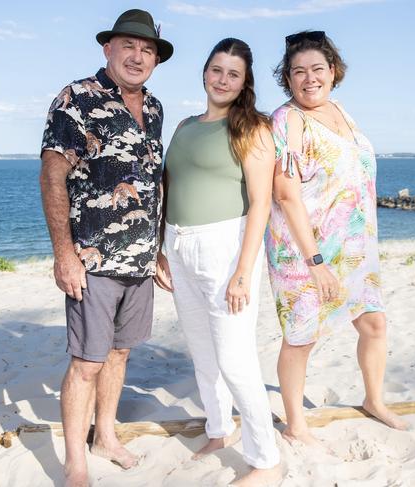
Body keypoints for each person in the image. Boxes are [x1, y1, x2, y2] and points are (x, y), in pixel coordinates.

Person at [39, 9, 173, 487]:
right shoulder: (75, 98)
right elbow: (53, 176)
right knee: (87, 362)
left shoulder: (155, 109)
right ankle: (76, 460)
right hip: (91, 259)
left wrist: (157, 249)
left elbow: (154, 183)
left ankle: (106, 437)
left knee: (119, 355)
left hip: (139, 260)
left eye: (147, 50)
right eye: (128, 46)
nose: (137, 56)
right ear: (108, 49)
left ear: (155, 59)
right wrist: (63, 254)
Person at [265, 30, 408, 448]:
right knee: (301, 336)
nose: (309, 78)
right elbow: (286, 192)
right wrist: (315, 261)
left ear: (333, 71)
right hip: (304, 249)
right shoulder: (287, 119)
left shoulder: (341, 111)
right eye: (298, 72)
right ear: (288, 79)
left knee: (374, 323)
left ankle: (374, 401)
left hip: (355, 247)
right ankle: (295, 423)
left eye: (317, 69)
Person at [154, 38, 281, 486]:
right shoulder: (186, 126)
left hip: (226, 248)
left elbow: (262, 204)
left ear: (244, 82)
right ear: (204, 72)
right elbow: (169, 188)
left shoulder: (252, 128)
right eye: (216, 70)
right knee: (203, 353)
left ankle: (266, 459)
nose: (222, 79)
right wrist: (159, 247)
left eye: (233, 73)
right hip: (179, 245)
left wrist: (244, 271)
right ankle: (218, 429)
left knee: (235, 358)